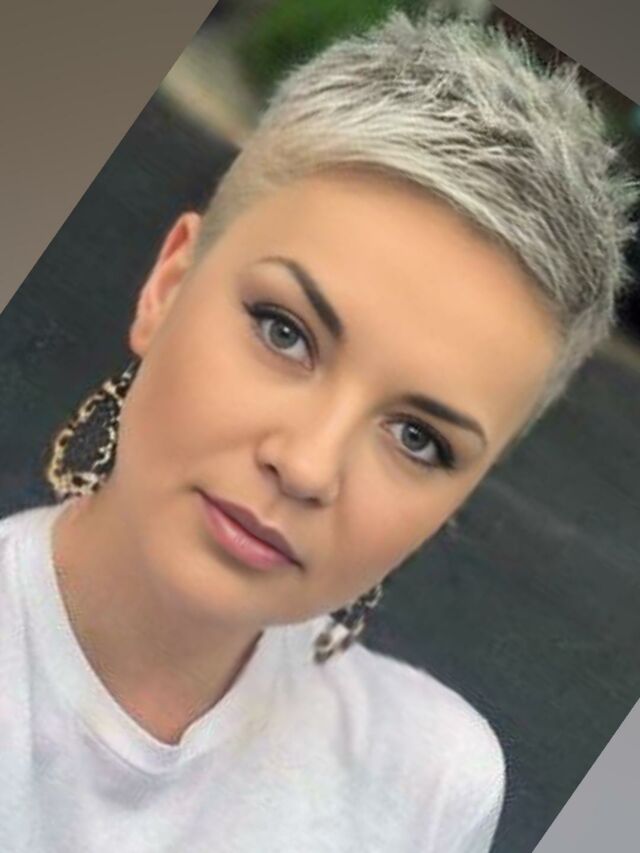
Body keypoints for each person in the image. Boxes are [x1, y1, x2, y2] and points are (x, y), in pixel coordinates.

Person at [0, 8, 636, 853]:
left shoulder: (431, 783)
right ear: (168, 285)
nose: (306, 465)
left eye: (419, 437)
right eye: (285, 331)